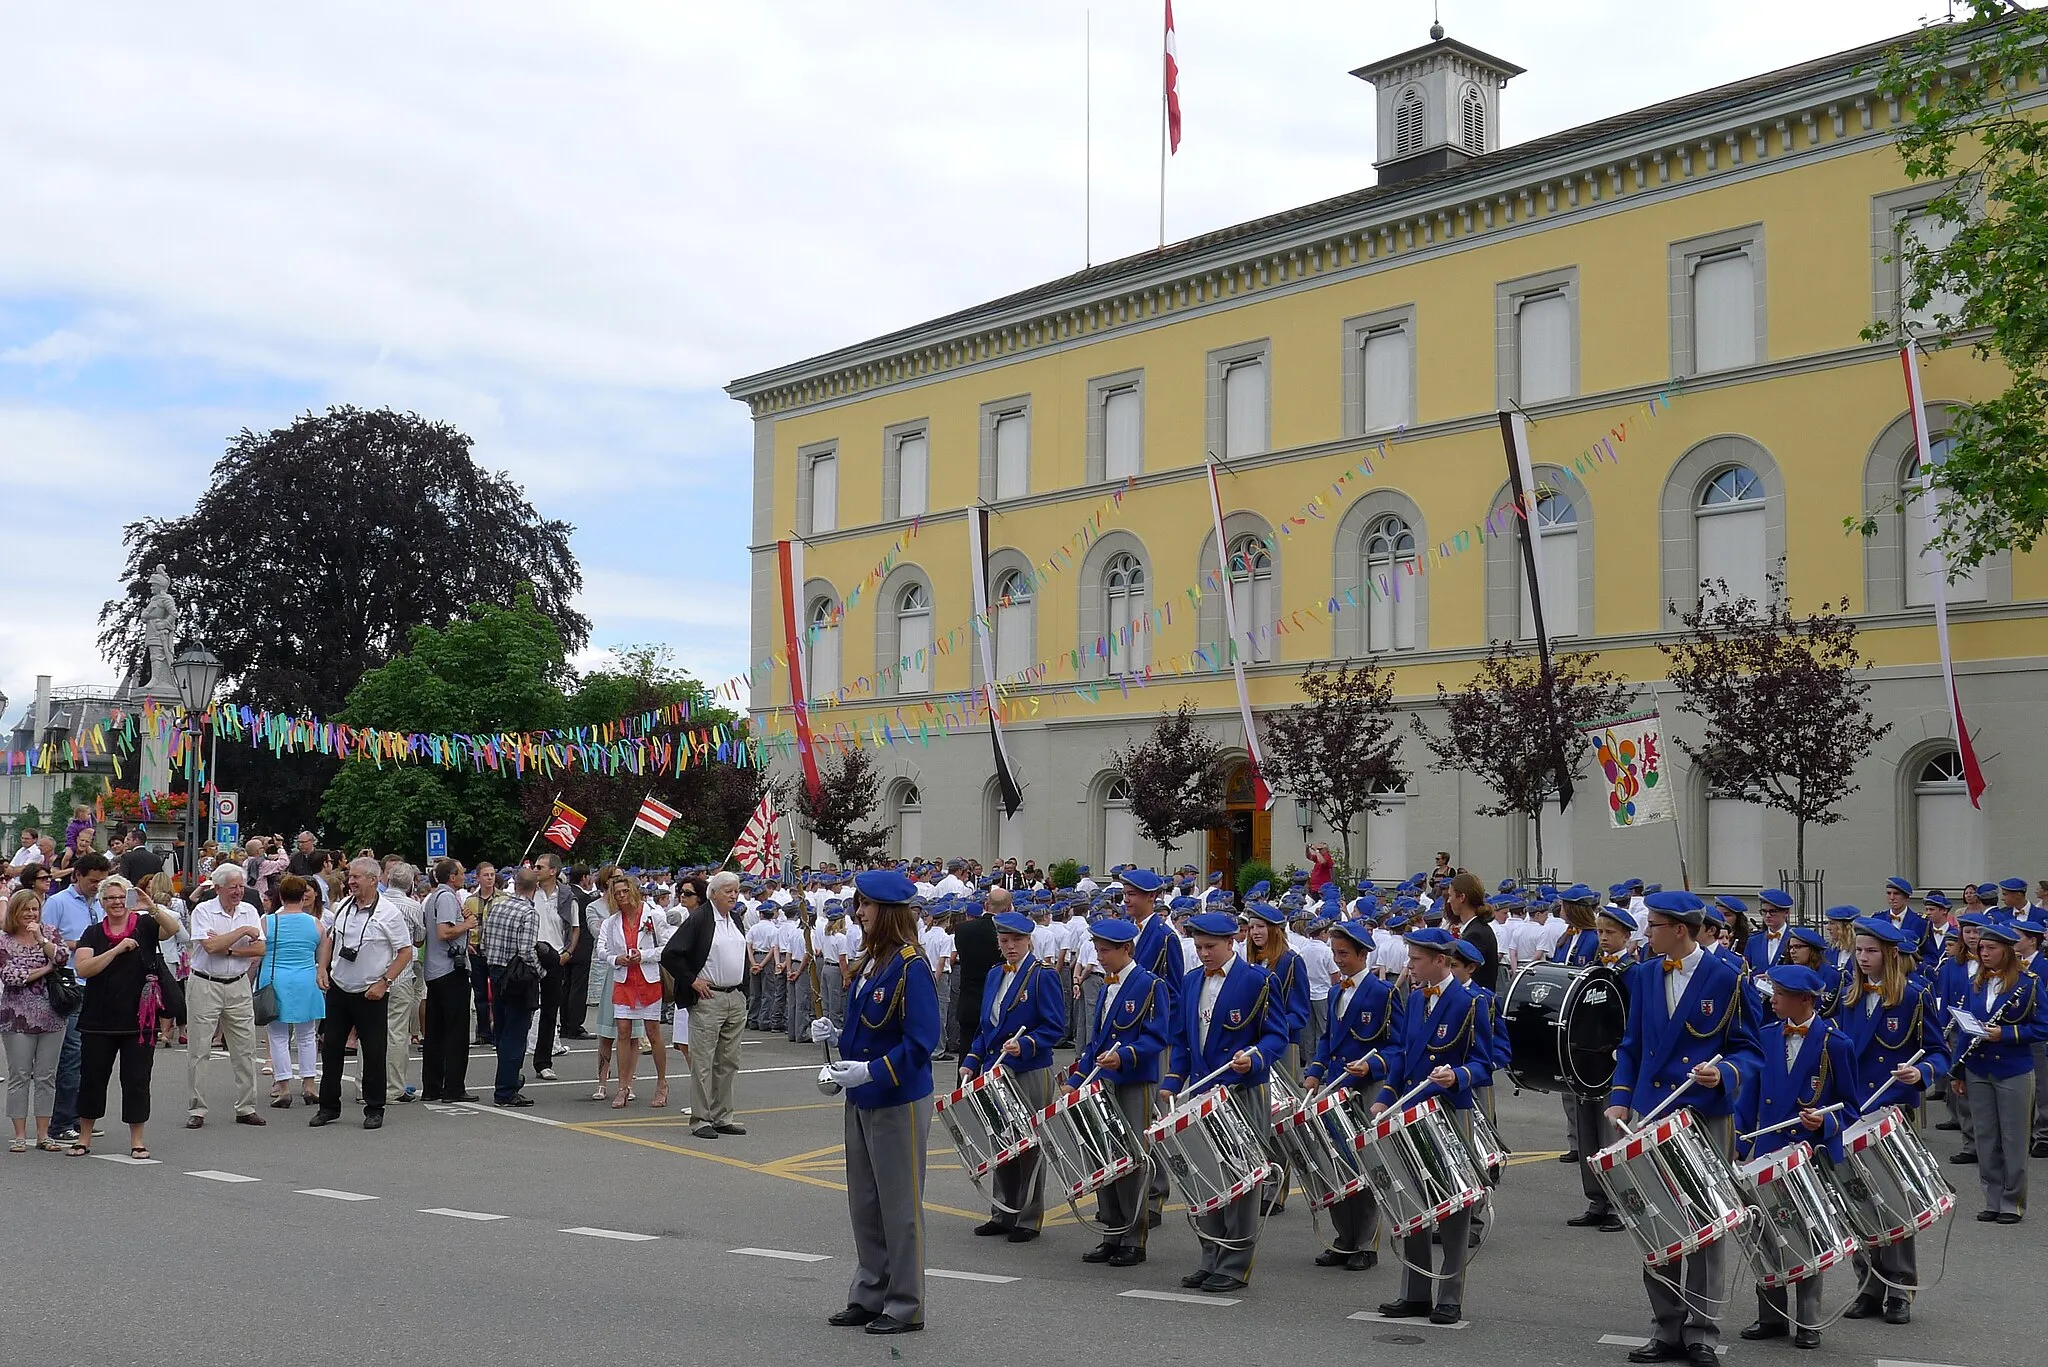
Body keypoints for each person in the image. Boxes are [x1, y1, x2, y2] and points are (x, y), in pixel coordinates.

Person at [1606, 891, 1762, 1367]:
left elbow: (1751, 1050)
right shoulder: (1646, 974)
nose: (1645, 932)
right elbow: (1631, 1045)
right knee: (1657, 1221)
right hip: (1654, 1113)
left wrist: (1727, 1073)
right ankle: (1666, 1326)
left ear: (1679, 929)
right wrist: (1619, 1100)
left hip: (1703, 1115)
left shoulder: (1728, 976)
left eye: (1653, 925)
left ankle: (1702, 1332)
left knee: (1705, 1224)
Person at [813, 869, 940, 1336]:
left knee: (900, 1206)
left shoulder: (911, 966)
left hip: (897, 1097)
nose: (858, 913)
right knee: (865, 1202)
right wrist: (835, 1039)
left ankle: (906, 1303)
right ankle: (869, 1292)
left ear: (886, 912)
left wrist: (873, 1070)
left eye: (865, 906)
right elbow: (866, 1028)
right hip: (863, 1095)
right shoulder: (874, 962)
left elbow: (923, 1040)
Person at [1160, 910, 1289, 1295]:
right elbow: (1183, 1040)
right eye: (1198, 947)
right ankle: (1209, 1255)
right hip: (1202, 1092)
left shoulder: (1258, 980)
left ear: (1232, 942)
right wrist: (1172, 1082)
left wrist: (1256, 1056)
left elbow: (1277, 1035)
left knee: (1242, 1180)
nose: (1204, 954)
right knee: (1204, 1177)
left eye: (1211, 947)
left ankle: (1235, 1263)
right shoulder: (1189, 981)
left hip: (1242, 1091)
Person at [1736, 965, 1859, 1349]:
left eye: (1780, 994)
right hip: (1769, 1151)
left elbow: (1851, 1110)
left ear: (1805, 1000)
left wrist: (1824, 1122)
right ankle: (1771, 1316)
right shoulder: (1766, 1035)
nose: (1772, 1000)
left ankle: (1808, 1320)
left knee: (1807, 1236)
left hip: (1809, 1155)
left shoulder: (1835, 1044)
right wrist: (1739, 1149)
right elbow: (1748, 1101)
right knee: (1766, 1236)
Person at [1832, 915, 1948, 1323]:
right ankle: (1867, 1285)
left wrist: (1922, 1074)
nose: (1862, 958)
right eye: (1859, 950)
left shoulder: (1913, 998)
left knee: (1895, 1201)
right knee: (1856, 1201)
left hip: (1892, 1114)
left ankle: (1900, 1288)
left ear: (1891, 954)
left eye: (1871, 951)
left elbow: (1938, 1051)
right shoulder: (1845, 996)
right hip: (1851, 1113)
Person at [1372, 925, 1489, 1325]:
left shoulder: (1469, 1002)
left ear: (1441, 961)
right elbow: (1403, 1056)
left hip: (1449, 1111)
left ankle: (1450, 1296)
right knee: (1413, 1201)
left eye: (1417, 959)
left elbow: (1485, 1062)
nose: (1410, 965)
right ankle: (1415, 1291)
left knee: (1453, 1207)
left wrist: (1457, 1076)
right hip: (1409, 1111)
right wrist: (1385, 1098)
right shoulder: (1414, 997)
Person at [1062, 917, 1168, 1267]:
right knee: (1104, 1156)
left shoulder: (1150, 985)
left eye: (1106, 951)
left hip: (1134, 1080)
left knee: (1133, 1159)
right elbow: (1096, 1042)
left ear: (1126, 949)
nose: (1100, 956)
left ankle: (1133, 1238)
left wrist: (1123, 1056)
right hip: (1102, 1079)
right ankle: (1111, 1231)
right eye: (1097, 949)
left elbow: (1156, 1037)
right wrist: (1075, 1082)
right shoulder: (1107, 987)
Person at [960, 909, 1067, 1242]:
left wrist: (1028, 1044)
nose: (1010, 947)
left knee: (1030, 1145)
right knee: (1000, 1141)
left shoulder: (1041, 975)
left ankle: (1029, 1217)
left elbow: (1055, 1026)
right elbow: (985, 1026)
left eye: (1016, 940)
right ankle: (1003, 1212)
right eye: (1004, 941)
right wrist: (972, 1059)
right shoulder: (995, 974)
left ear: (1028, 941)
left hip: (1029, 1069)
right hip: (996, 1070)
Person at [1300, 918, 1400, 1270]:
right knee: (1337, 1163)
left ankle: (1366, 1245)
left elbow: (1397, 1047)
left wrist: (1372, 1068)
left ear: (1363, 954)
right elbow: (1327, 1037)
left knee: (1366, 1166)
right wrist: (1314, 1071)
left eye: (1343, 953)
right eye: (1334, 952)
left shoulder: (1383, 992)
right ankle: (1343, 1238)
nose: (1337, 959)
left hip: (1367, 1087)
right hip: (1337, 1086)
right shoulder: (1334, 991)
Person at [69, 876, 181, 1159]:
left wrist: (151, 905)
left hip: (140, 1020)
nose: (117, 903)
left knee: (136, 1079)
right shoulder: (93, 933)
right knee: (92, 1079)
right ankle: (84, 1137)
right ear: (102, 902)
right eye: (111, 898)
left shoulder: (144, 925)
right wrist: (117, 949)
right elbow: (83, 969)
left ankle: (137, 1140)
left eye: (122, 898)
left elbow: (173, 929)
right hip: (98, 1018)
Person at [311, 857, 415, 1130]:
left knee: (373, 1052)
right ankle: (328, 1107)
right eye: (350, 877)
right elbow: (331, 939)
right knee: (331, 1048)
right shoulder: (344, 906)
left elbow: (405, 951)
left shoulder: (388, 913)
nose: (351, 881)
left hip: (371, 992)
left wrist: (385, 982)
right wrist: (322, 968)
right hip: (340, 988)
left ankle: (374, 1107)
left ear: (373, 879)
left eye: (357, 877)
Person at [1955, 915, 2041, 1227]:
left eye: (1990, 948)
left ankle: (2012, 1201)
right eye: (1981, 948)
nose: (1983, 952)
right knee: (1986, 1136)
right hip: (1978, 1068)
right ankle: (1992, 1198)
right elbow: (1965, 1030)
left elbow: (2042, 1026)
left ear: (2006, 950)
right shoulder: (1974, 983)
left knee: (2014, 1138)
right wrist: (1957, 1071)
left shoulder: (2028, 983)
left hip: (2014, 1069)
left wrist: (2004, 1034)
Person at [664, 869, 751, 1139]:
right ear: (713, 894)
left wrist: (743, 993)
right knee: (703, 1061)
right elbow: (671, 954)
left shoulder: (734, 918)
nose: (734, 895)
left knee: (729, 1060)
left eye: (736, 890)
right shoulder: (700, 920)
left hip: (733, 997)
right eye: (728, 891)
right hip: (708, 997)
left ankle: (722, 1115)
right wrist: (692, 981)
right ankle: (701, 1118)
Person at [182, 862, 267, 1130]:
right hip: (205, 983)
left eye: (241, 886)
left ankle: (246, 1107)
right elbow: (209, 946)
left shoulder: (250, 910)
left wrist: (229, 949)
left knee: (245, 1048)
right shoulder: (204, 911)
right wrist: (241, 933)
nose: (238, 892)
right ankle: (198, 1109)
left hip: (239, 983)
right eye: (233, 887)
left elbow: (261, 948)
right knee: (199, 1048)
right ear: (217, 888)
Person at [41, 850, 108, 1143]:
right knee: (71, 1054)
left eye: (101, 881)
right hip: (70, 983)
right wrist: (77, 944)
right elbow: (44, 940)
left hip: (99, 983)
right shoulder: (58, 902)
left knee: (91, 1056)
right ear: (77, 876)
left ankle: (82, 1118)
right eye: (93, 881)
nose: (98, 886)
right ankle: (61, 1121)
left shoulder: (103, 902)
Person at [1, 888, 72, 1151]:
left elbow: (63, 957)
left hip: (52, 1014)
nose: (31, 914)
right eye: (26, 909)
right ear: (15, 912)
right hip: (16, 1016)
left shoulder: (49, 932)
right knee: (19, 1074)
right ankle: (20, 1135)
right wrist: (44, 969)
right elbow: (10, 976)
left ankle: (44, 1134)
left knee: (46, 1076)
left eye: (35, 909)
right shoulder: (4, 940)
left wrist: (42, 939)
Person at [600, 878, 672, 1110]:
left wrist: (645, 955)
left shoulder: (653, 916)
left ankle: (662, 1083)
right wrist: (615, 959)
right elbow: (601, 949)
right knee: (623, 1031)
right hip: (624, 979)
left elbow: (667, 947)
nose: (621, 896)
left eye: (624, 891)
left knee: (653, 1032)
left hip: (647, 979)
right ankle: (623, 1085)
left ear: (633, 892)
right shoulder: (611, 922)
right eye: (617, 893)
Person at [261, 875, 326, 1107]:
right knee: (307, 1035)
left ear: (280, 896)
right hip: (306, 979)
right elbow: (323, 956)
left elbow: (257, 954)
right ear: (303, 896)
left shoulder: (268, 922)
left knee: (278, 1036)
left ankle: (284, 1087)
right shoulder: (316, 924)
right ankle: (309, 1085)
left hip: (274, 979)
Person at [482, 867, 543, 1108]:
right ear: (534, 888)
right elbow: (527, 950)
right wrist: (541, 971)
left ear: (515, 884)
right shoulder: (529, 912)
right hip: (516, 975)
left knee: (503, 1029)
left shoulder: (496, 905)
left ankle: (508, 1081)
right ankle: (506, 1090)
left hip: (495, 971)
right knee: (515, 1034)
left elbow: (485, 940)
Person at [419, 857, 478, 1104]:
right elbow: (444, 932)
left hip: (436, 970)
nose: (464, 877)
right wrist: (467, 925)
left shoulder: (434, 897)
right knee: (455, 1031)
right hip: (449, 971)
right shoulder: (444, 898)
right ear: (451, 876)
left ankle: (432, 1086)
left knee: (436, 1031)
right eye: (462, 873)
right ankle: (453, 1087)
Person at [377, 863, 427, 1104]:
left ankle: (364, 1084)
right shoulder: (412, 906)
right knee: (397, 1031)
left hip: (373, 972)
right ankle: (393, 1087)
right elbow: (418, 939)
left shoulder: (375, 902)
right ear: (410, 884)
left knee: (372, 1030)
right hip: (401, 972)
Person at [532, 852, 579, 1081]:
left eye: (540, 867)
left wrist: (568, 953)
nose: (535, 870)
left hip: (555, 956)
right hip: (530, 955)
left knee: (550, 1012)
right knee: (524, 1008)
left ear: (553, 871)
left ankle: (543, 1061)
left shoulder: (567, 897)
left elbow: (575, 927)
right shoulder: (530, 892)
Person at [1445, 871, 1499, 993]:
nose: (1448, 901)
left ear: (1462, 898)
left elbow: (1462, 974)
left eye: (1450, 895)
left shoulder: (1476, 934)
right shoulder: (1474, 928)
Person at [561, 865, 598, 1041]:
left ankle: (566, 1023)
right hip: (581, 946)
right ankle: (575, 1025)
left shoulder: (565, 895)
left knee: (566, 986)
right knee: (578, 988)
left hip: (565, 945)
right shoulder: (584, 898)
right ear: (584, 877)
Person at [464, 863, 500, 1045]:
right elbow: (463, 924)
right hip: (476, 950)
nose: (489, 878)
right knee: (480, 995)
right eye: (486, 875)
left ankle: (496, 1030)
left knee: (497, 993)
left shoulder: (503, 898)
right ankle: (483, 1031)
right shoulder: (470, 900)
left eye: (492, 875)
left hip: (495, 951)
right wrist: (467, 942)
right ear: (478, 878)